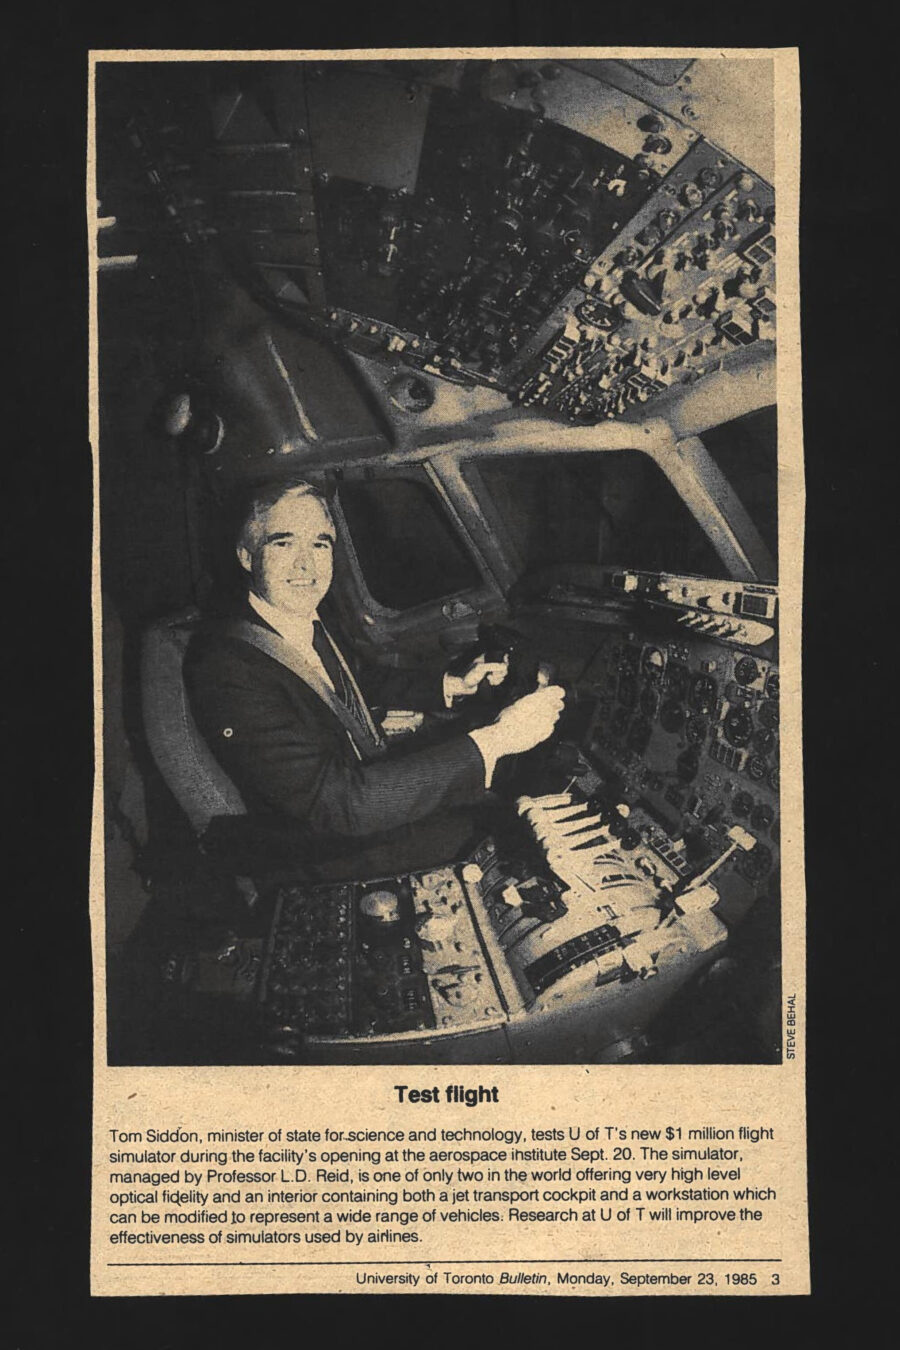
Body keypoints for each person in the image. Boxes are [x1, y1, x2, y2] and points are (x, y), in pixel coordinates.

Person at [183, 478, 566, 882]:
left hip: (359, 793)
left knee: (496, 799)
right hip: (319, 847)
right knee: (505, 834)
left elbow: (355, 680)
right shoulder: (229, 668)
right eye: (284, 543)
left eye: (319, 545)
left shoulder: (302, 617)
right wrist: (498, 740)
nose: (305, 565)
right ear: (247, 556)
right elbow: (340, 803)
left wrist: (453, 685)